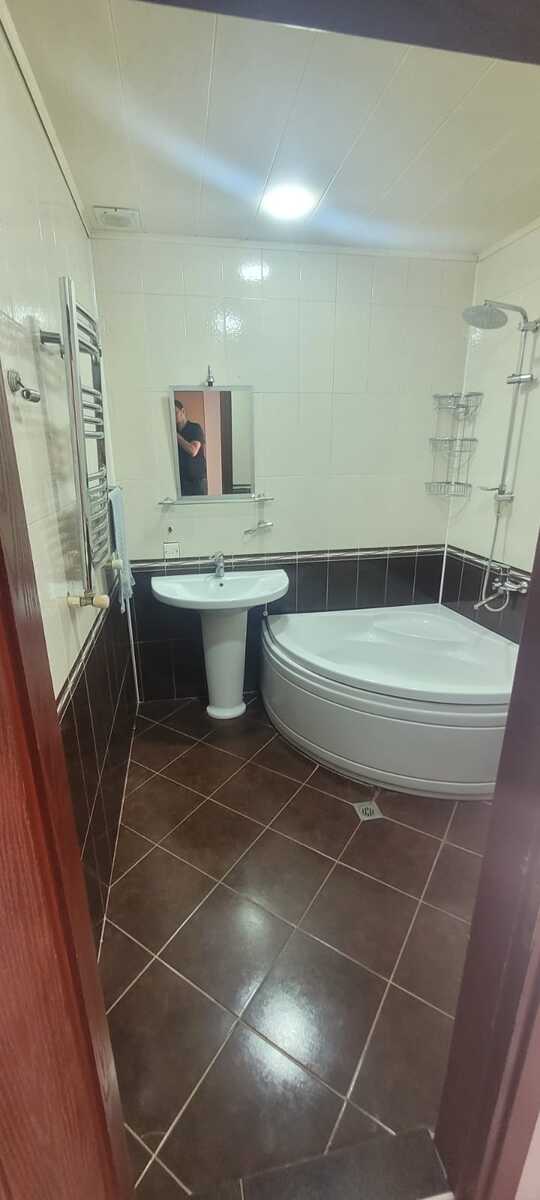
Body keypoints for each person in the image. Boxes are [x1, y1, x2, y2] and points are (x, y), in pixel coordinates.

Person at [174, 398, 208, 495]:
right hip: (181, 481)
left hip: (197, 481)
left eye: (176, 412)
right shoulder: (174, 431)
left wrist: (175, 435)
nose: (174, 416)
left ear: (183, 411)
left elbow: (193, 451)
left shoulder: (195, 428)